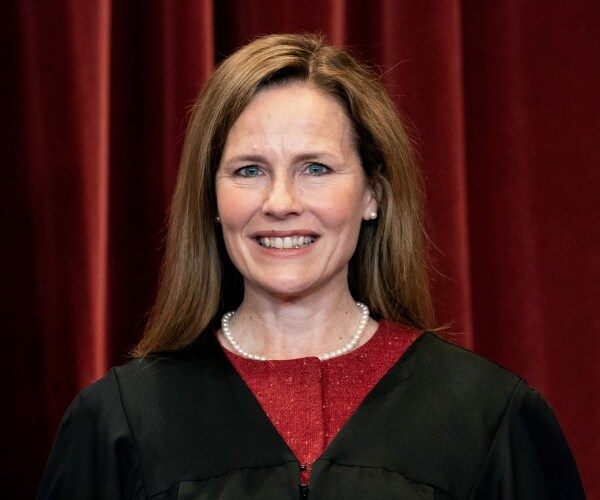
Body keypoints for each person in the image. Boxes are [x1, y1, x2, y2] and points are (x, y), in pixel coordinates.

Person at [37, 33, 585, 499]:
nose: (279, 202)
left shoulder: (487, 419)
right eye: (249, 170)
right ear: (211, 198)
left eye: (316, 168)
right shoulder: (118, 423)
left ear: (373, 194)